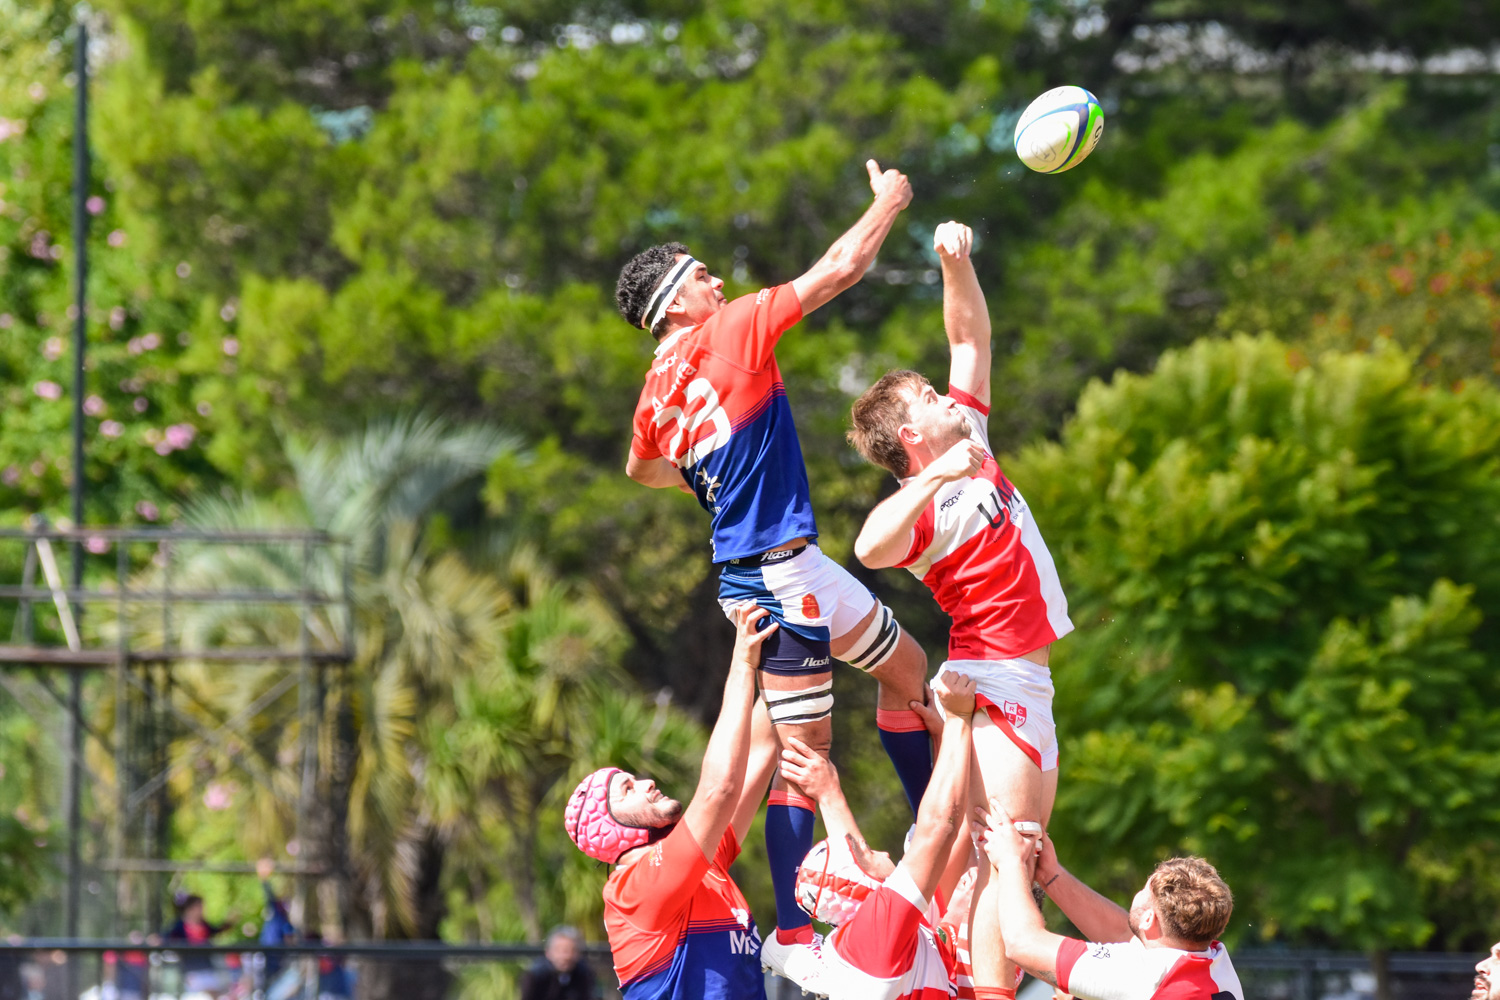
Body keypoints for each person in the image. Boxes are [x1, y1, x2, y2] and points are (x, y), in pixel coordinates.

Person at [616, 157, 932, 974]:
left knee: (908, 671)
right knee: (808, 749)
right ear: (675, 301)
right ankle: (795, 935)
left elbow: (640, 469)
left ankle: (923, 835)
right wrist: (889, 201)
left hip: (776, 567)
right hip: (775, 576)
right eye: (700, 274)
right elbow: (841, 269)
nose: (716, 279)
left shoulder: (655, 391)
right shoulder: (731, 328)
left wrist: (705, 467)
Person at [847, 220, 1073, 997]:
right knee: (999, 852)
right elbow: (869, 549)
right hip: (992, 679)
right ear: (913, 433)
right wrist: (938, 475)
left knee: (1024, 856)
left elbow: (970, 340)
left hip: (1027, 683)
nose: (950, 396)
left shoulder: (967, 436)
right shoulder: (929, 501)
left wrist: (955, 262)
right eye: (931, 399)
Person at [564, 604, 780, 1000]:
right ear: (609, 827)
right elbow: (719, 789)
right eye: (627, 789)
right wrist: (743, 662)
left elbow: (766, 745)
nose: (647, 782)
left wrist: (796, 655)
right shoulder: (633, 887)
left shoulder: (705, 864)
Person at [773, 670, 980, 999]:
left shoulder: (881, 936)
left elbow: (858, 869)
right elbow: (941, 830)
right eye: (871, 856)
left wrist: (829, 794)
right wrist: (958, 719)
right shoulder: (879, 936)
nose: (883, 854)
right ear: (869, 888)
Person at [973, 806, 1243, 1000]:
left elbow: (1024, 944)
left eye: (1144, 889)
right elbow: (1125, 935)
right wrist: (1051, 875)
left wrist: (1010, 860)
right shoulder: (1213, 959)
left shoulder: (1146, 976)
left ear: (1149, 918)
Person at [163, 892, 237, 996]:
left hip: (207, 968)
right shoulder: (179, 927)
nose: (202, 910)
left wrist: (228, 924)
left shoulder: (204, 925)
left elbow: (215, 930)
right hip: (191, 971)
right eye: (199, 907)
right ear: (190, 909)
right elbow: (166, 937)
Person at [519, 927, 598, 1000]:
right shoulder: (535, 976)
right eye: (560, 950)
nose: (566, 956)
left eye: (572, 950)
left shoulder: (584, 974)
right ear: (548, 952)